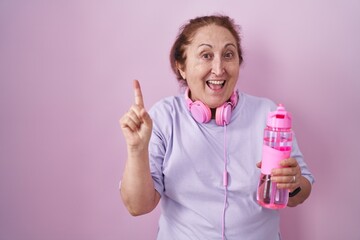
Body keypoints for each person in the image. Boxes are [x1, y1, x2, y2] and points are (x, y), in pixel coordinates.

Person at [119, 14, 314, 240]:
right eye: (206, 55)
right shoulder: (163, 117)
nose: (219, 68)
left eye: (228, 55)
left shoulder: (268, 114)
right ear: (181, 66)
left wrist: (294, 183)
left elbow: (300, 194)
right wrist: (136, 150)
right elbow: (138, 206)